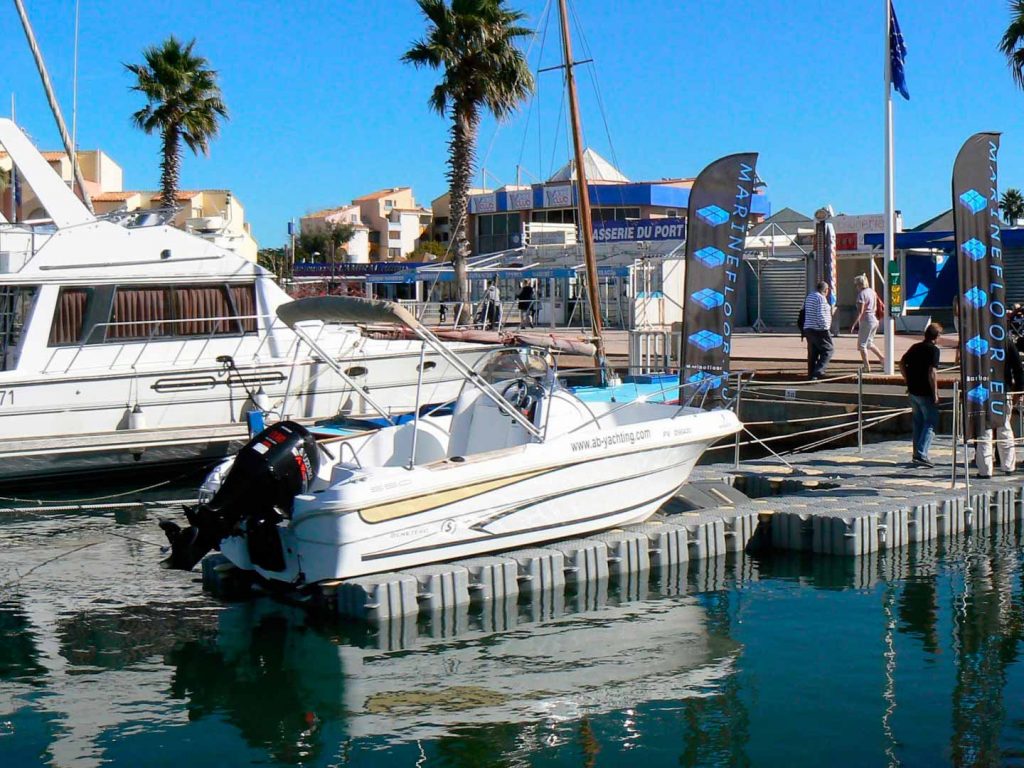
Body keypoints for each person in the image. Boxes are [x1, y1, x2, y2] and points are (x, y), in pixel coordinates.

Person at [976, 338, 1023, 477]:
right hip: (1003, 390)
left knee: (985, 430)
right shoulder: (1005, 341)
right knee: (1004, 428)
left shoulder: (980, 338)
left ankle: (985, 470)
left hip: (983, 390)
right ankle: (1008, 466)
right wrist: (1019, 391)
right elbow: (1018, 368)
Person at [899, 322, 942, 468]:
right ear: (936, 336)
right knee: (930, 422)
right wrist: (935, 393)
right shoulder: (934, 350)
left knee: (918, 422)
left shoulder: (915, 347)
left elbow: (901, 363)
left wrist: (907, 379)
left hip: (913, 390)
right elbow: (932, 372)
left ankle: (916, 453)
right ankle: (922, 453)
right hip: (925, 392)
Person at [850, 274, 885, 372]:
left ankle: (866, 366)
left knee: (862, 345)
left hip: (867, 320)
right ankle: (883, 359)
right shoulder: (872, 292)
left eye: (856, 285)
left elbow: (861, 312)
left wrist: (854, 324)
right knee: (869, 343)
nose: (856, 287)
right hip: (875, 319)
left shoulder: (862, 294)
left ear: (860, 284)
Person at [802, 281, 834, 379]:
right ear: (826, 290)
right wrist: (825, 327)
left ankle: (811, 375)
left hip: (808, 328)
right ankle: (819, 371)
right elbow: (821, 314)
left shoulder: (810, 296)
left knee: (813, 353)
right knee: (828, 350)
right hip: (819, 329)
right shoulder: (821, 298)